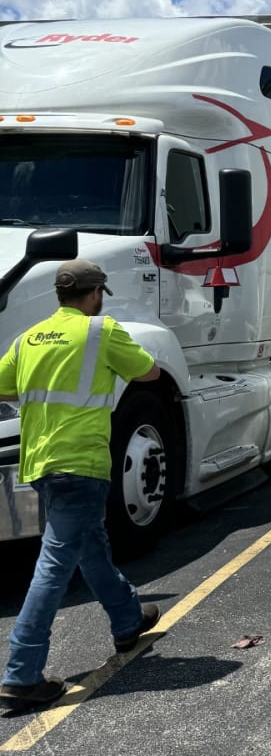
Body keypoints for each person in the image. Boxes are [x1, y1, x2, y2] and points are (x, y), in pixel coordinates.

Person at [0, 259, 164, 706]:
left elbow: (4, 386)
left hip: (41, 465)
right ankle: (21, 673)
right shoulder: (100, 330)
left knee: (90, 547)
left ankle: (128, 619)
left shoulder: (29, 337)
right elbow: (148, 370)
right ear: (95, 294)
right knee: (54, 567)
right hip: (82, 463)